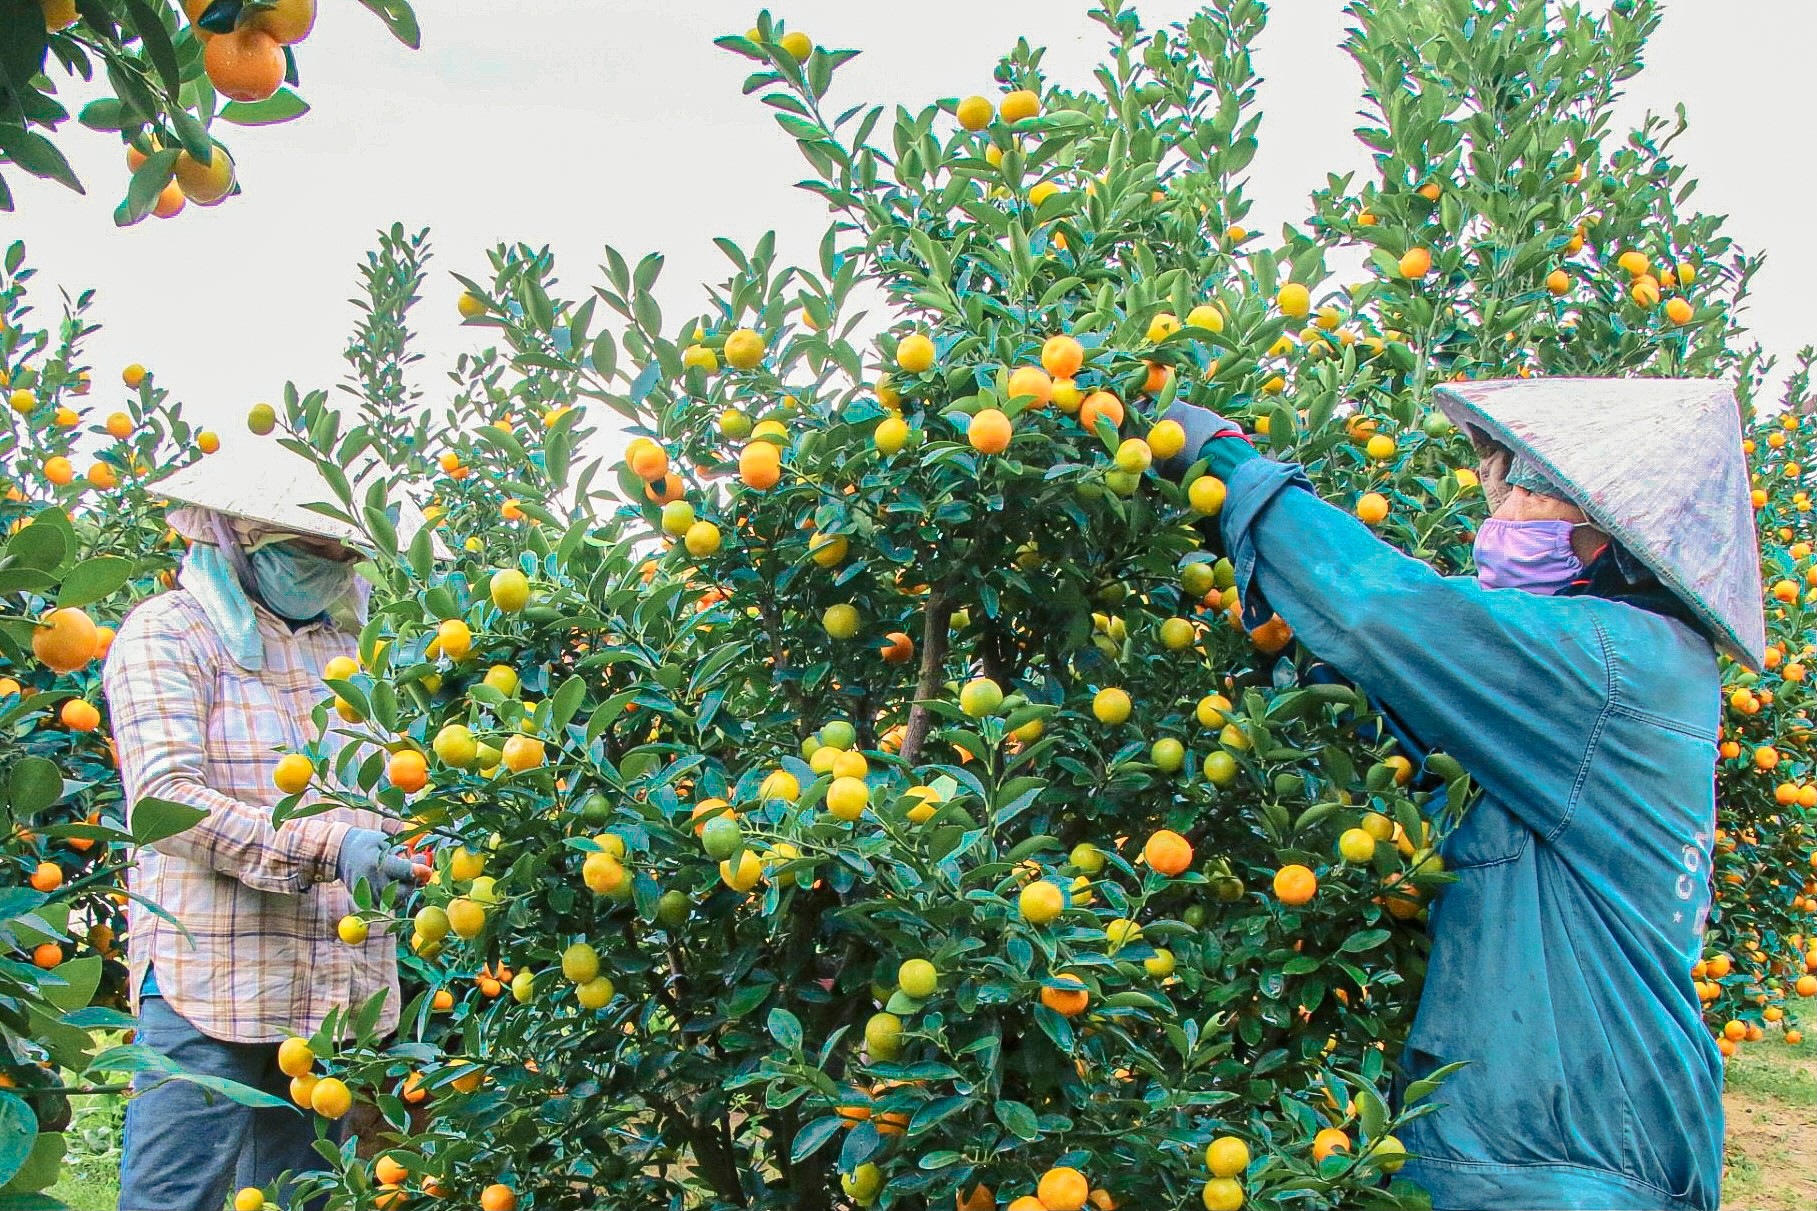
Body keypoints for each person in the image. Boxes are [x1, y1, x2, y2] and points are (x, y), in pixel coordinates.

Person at [1165, 378, 1761, 1211]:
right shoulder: (1624, 671)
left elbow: (1384, 610)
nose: (1501, 512)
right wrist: (1295, 649)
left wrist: (1229, 467)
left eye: (1526, 491)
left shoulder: (1612, 663)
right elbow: (1414, 730)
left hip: (1567, 1150)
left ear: (1605, 537)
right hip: (1570, 1138)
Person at [105, 443, 432, 1211]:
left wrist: (419, 840)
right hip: (212, 977)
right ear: (240, 538)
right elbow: (166, 800)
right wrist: (333, 844)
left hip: (334, 987)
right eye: (312, 549)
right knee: (172, 1197)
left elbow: (385, 786)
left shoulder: (348, 648)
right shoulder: (168, 633)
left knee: (305, 1197)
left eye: (344, 549)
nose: (332, 564)